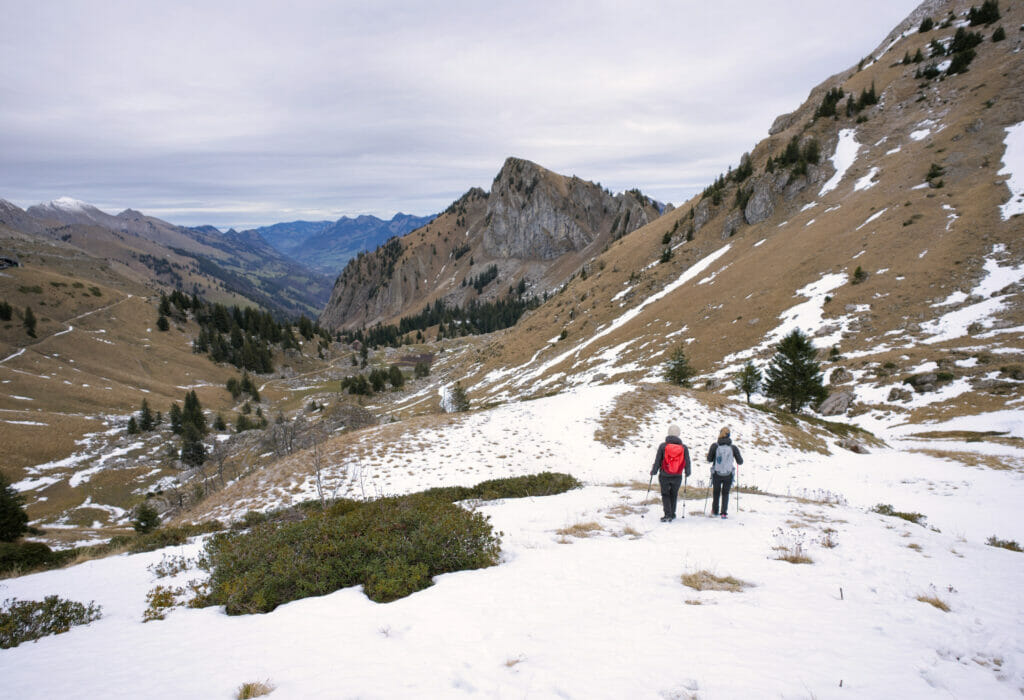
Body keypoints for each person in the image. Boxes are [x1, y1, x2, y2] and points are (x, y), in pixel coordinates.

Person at [650, 424, 691, 522]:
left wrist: (654, 471)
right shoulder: (684, 447)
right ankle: (672, 514)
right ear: (678, 434)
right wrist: (688, 472)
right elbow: (687, 461)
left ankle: (667, 514)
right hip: (677, 475)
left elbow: (658, 460)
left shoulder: (663, 446)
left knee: (665, 494)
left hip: (664, 474)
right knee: (674, 494)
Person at [707, 427, 743, 519]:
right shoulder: (733, 447)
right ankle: (723, 513)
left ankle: (715, 511)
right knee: (725, 493)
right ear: (729, 435)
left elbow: (709, 459)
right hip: (728, 474)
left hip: (717, 473)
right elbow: (740, 462)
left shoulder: (715, 446)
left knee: (716, 492)